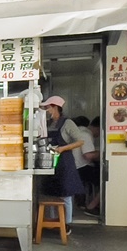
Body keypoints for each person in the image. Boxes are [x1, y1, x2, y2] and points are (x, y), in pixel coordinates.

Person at [39, 96, 86, 233]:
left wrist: (62, 148)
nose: (46, 110)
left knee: (66, 194)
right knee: (52, 193)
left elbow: (80, 141)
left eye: (47, 107)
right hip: (50, 160)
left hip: (64, 161)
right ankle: (54, 222)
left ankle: (67, 224)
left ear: (55, 107)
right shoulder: (47, 123)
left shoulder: (67, 123)